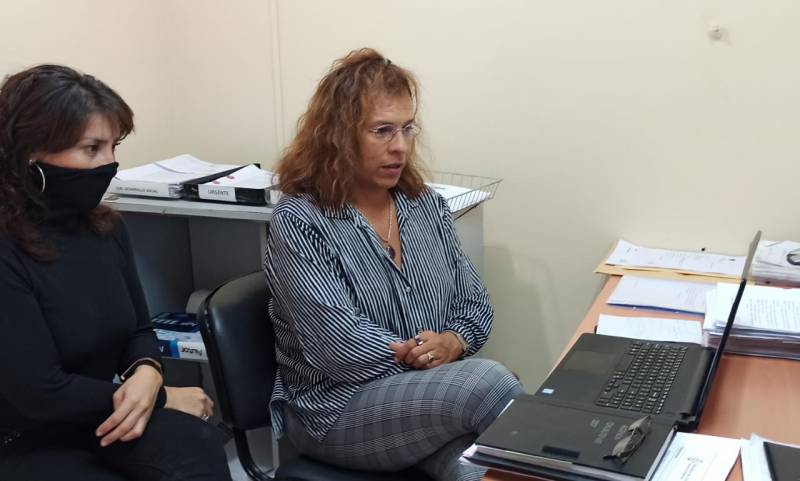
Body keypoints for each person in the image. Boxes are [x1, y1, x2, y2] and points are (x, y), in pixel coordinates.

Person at [264, 48, 523, 481]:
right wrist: (437, 362)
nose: (400, 146)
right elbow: (339, 347)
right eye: (382, 131)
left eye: (407, 129)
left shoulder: (426, 206)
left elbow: (475, 304)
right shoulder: (300, 220)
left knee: (484, 472)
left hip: (421, 403)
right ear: (338, 136)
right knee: (490, 384)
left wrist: (453, 342)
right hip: (337, 410)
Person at [0, 65, 232, 481]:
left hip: (93, 415)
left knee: (196, 444)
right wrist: (163, 398)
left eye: (114, 146)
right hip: (21, 435)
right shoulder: (7, 248)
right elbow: (38, 393)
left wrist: (148, 372)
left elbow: (139, 329)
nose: (110, 164)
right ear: (29, 153)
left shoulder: (105, 228)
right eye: (92, 149)